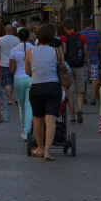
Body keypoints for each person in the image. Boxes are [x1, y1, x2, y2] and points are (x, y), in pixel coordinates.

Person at [26, 23, 62, 161]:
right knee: (51, 120)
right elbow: (62, 68)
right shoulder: (56, 51)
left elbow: (27, 70)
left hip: (37, 87)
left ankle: (40, 148)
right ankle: (48, 152)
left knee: (38, 119)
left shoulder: (31, 52)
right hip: (53, 86)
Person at [9, 27, 33, 141]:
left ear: (18, 37)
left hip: (18, 79)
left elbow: (12, 68)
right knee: (29, 106)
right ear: (29, 37)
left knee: (21, 107)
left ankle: (24, 129)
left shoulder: (13, 50)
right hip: (30, 78)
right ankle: (27, 131)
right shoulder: (33, 49)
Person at [79, 18, 101, 105]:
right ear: (91, 24)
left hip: (83, 60)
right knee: (94, 78)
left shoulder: (80, 34)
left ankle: (84, 97)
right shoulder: (97, 34)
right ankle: (93, 98)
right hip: (94, 59)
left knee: (84, 79)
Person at [0, 24, 20, 105]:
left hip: (4, 63)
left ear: (5, 31)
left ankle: (9, 99)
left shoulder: (1, 39)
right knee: (15, 81)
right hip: (15, 62)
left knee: (7, 82)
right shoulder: (17, 40)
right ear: (12, 31)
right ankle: (16, 98)